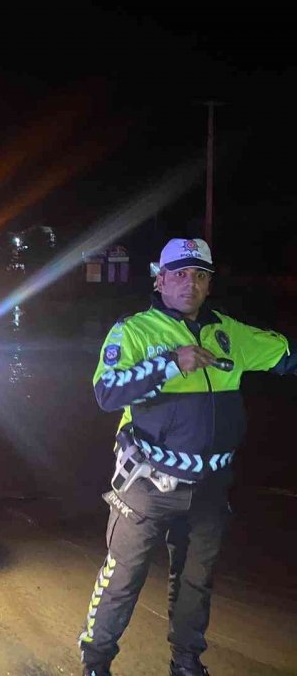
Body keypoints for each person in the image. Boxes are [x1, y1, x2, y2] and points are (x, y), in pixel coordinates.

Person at [78, 238, 296, 676]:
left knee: (196, 581)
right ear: (160, 281)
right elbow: (106, 393)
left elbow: (287, 356)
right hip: (146, 485)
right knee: (123, 577)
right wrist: (169, 364)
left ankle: (186, 661)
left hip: (210, 488)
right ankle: (96, 660)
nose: (189, 284)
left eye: (200, 275)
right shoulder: (134, 331)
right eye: (179, 274)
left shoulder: (229, 333)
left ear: (209, 284)